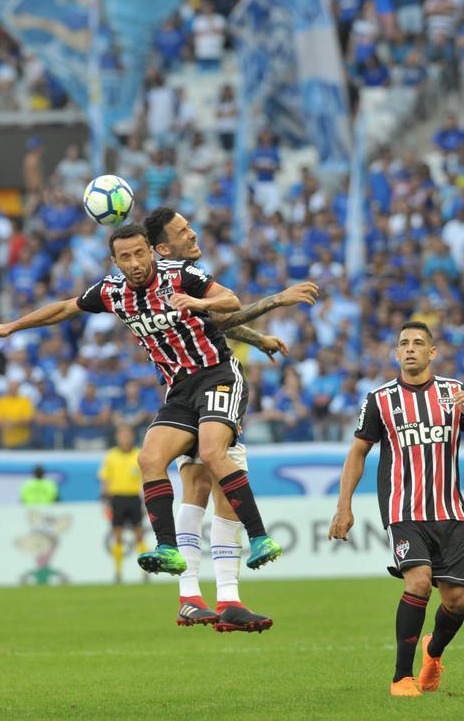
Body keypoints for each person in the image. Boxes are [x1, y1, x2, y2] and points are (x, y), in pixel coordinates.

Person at [0, 224, 283, 580]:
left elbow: (230, 301)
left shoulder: (180, 274)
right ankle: (168, 548)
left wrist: (199, 302)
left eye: (139, 253)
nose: (134, 263)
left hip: (217, 373)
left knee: (212, 452)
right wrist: (11, 327)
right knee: (149, 458)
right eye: (125, 257)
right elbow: (64, 309)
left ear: (150, 250)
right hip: (179, 389)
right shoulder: (112, 291)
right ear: (114, 261)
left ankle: (259, 537)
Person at [144, 206, 319, 631]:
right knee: (219, 481)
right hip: (210, 382)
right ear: (163, 247)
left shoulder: (165, 280)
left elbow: (210, 321)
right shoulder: (175, 277)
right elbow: (222, 313)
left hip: (182, 390)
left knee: (198, 484)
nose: (193, 233)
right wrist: (277, 299)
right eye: (183, 230)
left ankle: (203, 598)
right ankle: (217, 595)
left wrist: (256, 339)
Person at [328, 321, 464, 698]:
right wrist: (344, 507)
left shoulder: (455, 392)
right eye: (403, 343)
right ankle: (401, 677)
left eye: (418, 343)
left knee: (457, 601)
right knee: (418, 582)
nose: (410, 348)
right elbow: (357, 453)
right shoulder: (380, 399)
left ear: (432, 352)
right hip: (403, 512)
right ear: (395, 352)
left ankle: (433, 651)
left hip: (450, 513)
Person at [97, 425, 148, 583]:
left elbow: (146, 478)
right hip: (117, 498)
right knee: (118, 536)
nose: (125, 438)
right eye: (122, 435)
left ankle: (145, 571)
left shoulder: (139, 454)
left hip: (134, 498)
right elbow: (105, 479)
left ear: (132, 436)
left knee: (139, 535)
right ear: (117, 437)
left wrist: (146, 501)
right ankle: (118, 572)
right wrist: (106, 501)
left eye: (127, 434)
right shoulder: (111, 456)